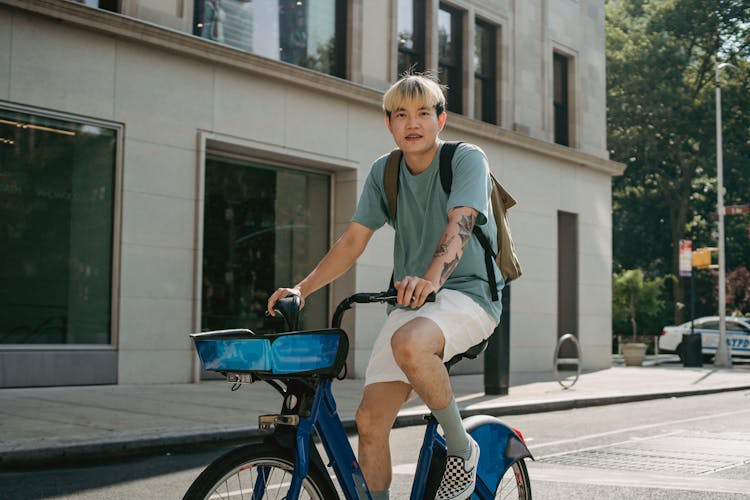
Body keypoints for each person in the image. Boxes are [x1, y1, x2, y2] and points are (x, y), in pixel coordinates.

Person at [266, 73, 503, 500]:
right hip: (413, 301)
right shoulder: (385, 171)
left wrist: (430, 281)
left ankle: (461, 448)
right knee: (371, 423)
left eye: (423, 113)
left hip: (469, 295)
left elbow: (461, 222)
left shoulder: (467, 159)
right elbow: (354, 239)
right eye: (400, 114)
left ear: (440, 120)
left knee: (410, 343)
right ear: (389, 123)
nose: (412, 123)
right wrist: (302, 288)